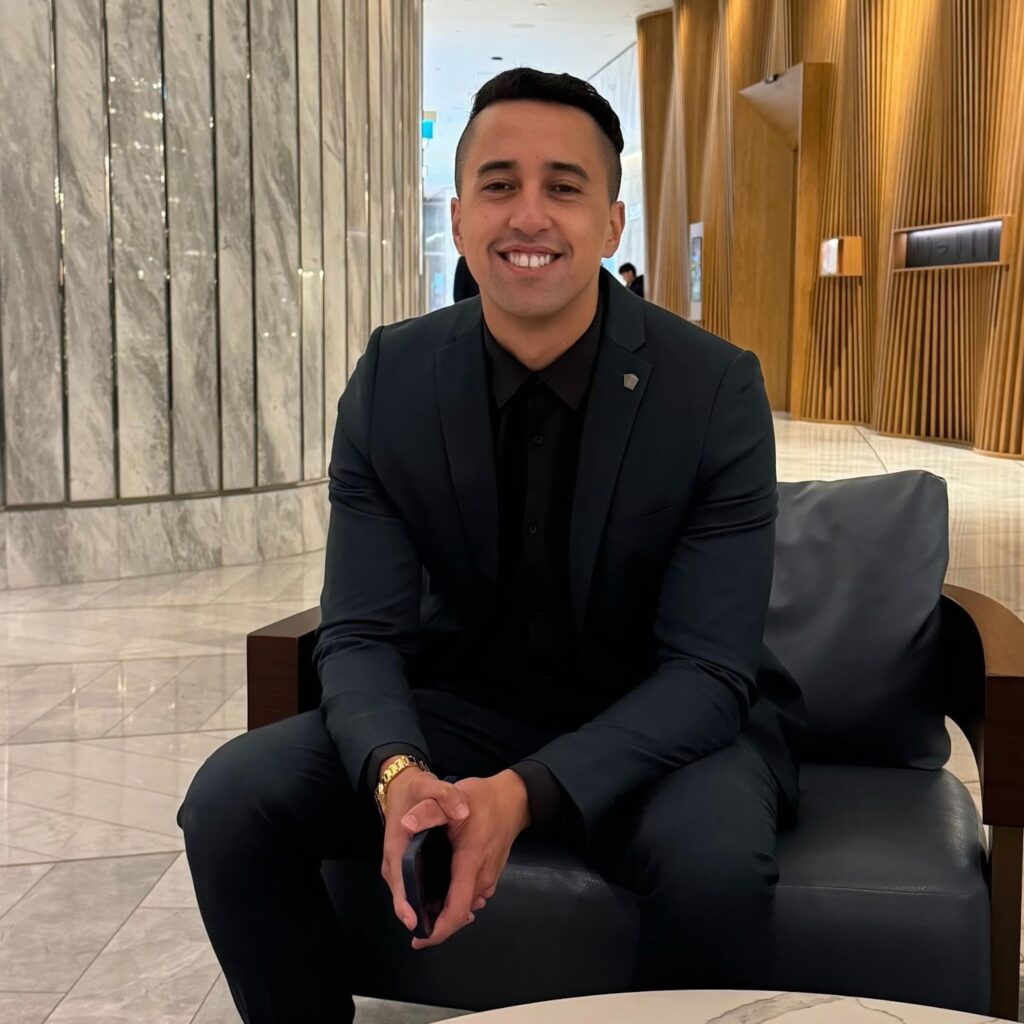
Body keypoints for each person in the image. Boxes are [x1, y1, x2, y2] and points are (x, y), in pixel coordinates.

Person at [178, 67, 803, 1024]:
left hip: (663, 724)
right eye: (499, 185)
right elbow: (361, 630)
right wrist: (397, 770)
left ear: (612, 222)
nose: (529, 216)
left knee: (712, 865)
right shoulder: (393, 376)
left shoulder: (712, 388)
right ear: (461, 216)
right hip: (465, 707)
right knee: (232, 800)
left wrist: (523, 794)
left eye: (564, 186)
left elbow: (710, 670)